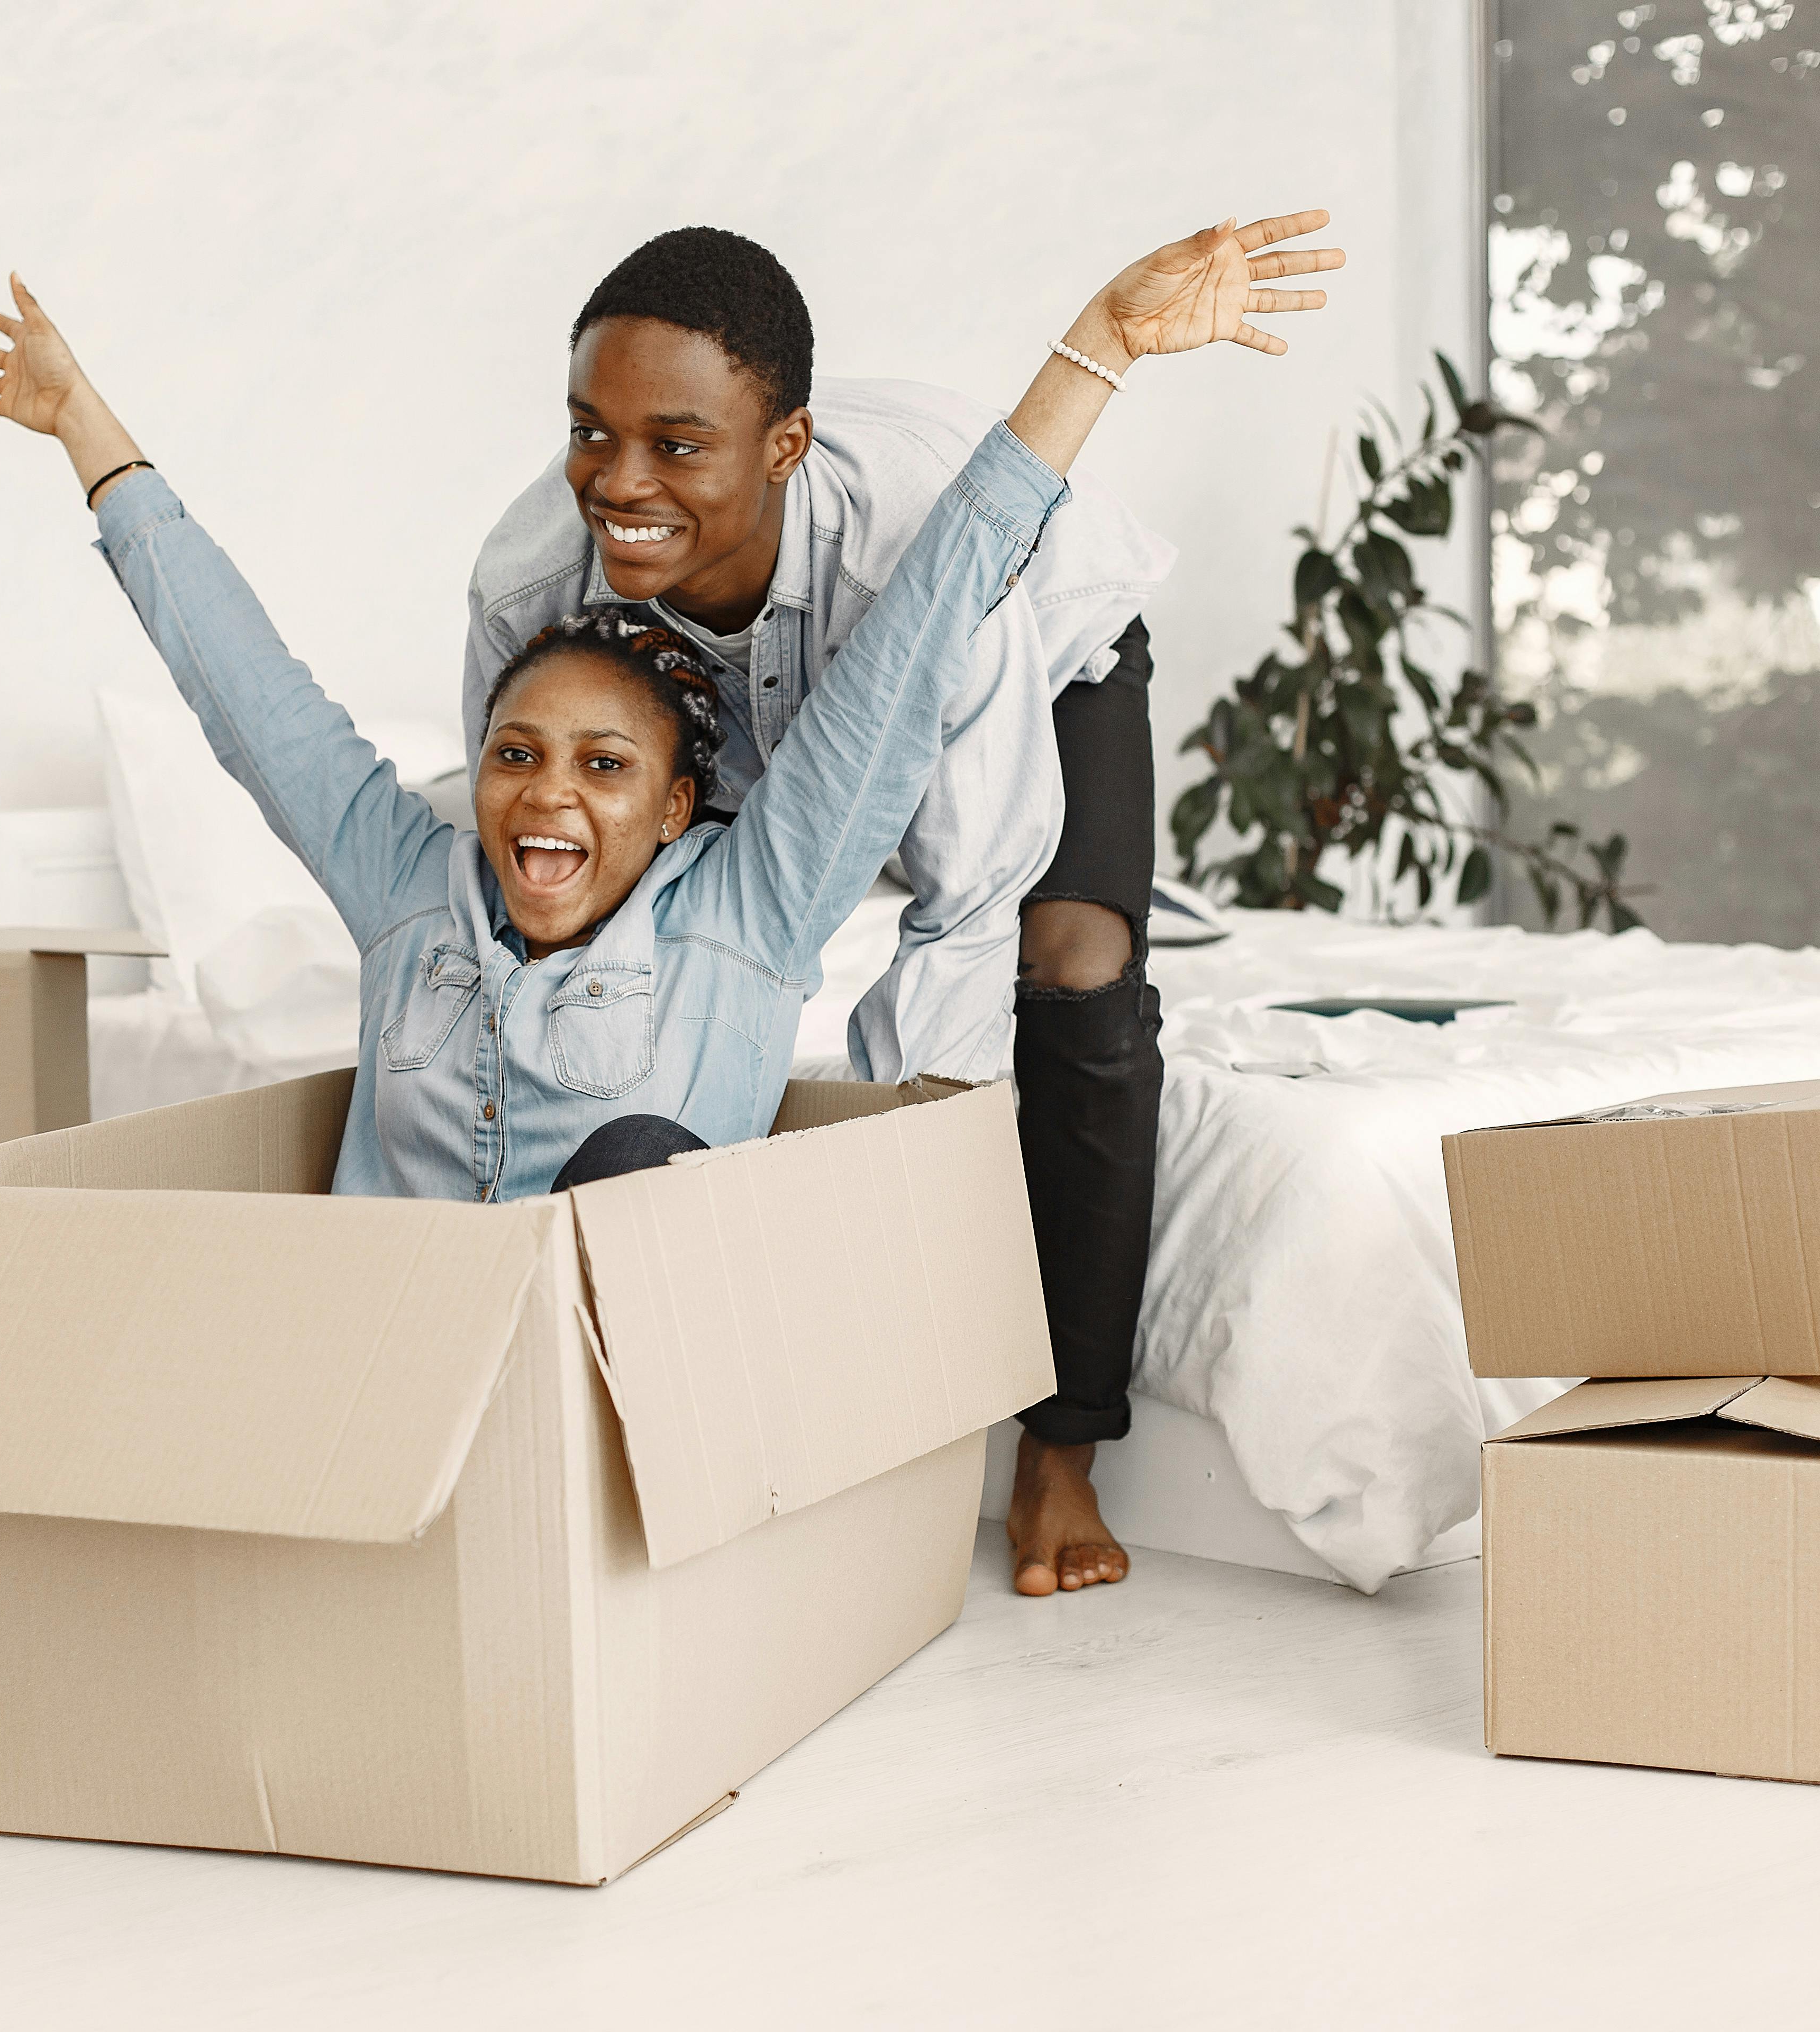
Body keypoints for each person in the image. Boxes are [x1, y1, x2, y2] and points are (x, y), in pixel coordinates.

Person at [0, 212, 1328, 1262]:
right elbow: (246, 691)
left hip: (616, 1366)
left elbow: (929, 620)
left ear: (677, 807)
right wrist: (84, 432)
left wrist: (1102, 345)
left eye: (606, 767)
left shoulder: (750, 908)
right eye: (517, 753)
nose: (547, 796)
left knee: (646, 1158)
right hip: (386, 1345)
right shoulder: (405, 884)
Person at [461, 216, 1342, 1595]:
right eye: (589, 433)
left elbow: (970, 905)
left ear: (784, 449)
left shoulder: (923, 557)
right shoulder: (533, 588)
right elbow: (528, 887)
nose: (615, 481)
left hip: (1041, 652)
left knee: (1076, 956)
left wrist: (896, 1204)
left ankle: (1061, 1449)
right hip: (730, 727)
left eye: (676, 446)